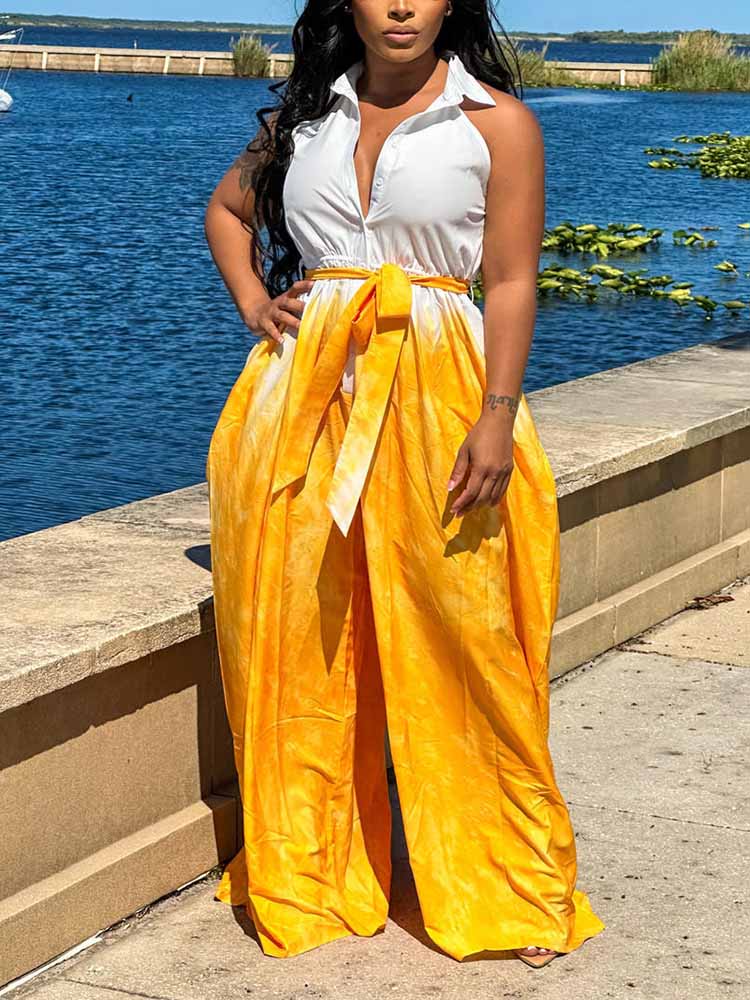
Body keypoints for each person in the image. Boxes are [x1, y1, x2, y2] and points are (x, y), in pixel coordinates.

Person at [203, 0, 606, 970]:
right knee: (300, 636)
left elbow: (510, 280)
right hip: (301, 405)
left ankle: (503, 876)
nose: (399, 6)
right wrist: (257, 302)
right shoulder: (303, 117)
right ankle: (313, 861)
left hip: (438, 394)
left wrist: (499, 412)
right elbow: (226, 213)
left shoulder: (497, 124)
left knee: (467, 631)